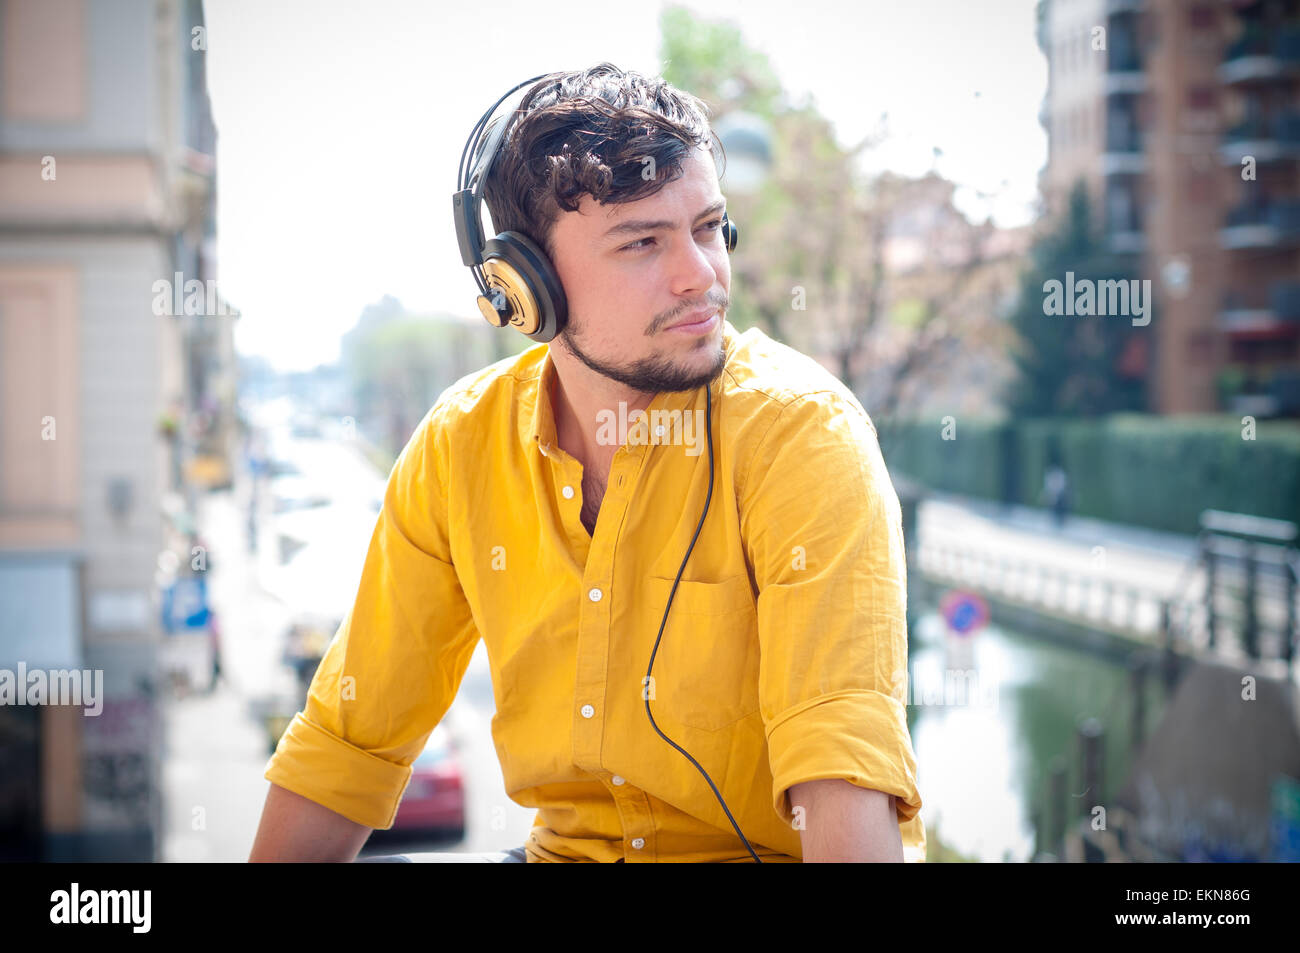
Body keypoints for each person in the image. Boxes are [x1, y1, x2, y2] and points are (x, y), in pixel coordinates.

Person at [249, 63, 923, 864]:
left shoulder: (803, 438)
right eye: (643, 242)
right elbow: (345, 743)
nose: (702, 276)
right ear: (523, 284)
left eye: (709, 228)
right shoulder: (458, 445)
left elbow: (843, 796)